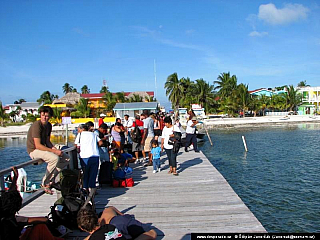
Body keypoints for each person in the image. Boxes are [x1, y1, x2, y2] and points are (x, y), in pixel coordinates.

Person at [0, 167, 64, 240]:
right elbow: (31, 220)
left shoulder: (5, 215)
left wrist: (15, 178)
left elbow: (11, 194)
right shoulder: (11, 221)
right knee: (40, 228)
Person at [27, 106, 70, 194]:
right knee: (54, 158)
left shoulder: (49, 125)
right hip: (34, 150)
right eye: (42, 115)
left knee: (66, 158)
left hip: (42, 148)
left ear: (50, 117)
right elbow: (38, 145)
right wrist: (54, 152)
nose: (44, 118)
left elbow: (47, 141)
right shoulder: (37, 125)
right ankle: (44, 183)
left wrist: (54, 149)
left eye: (46, 116)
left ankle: (51, 179)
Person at [77, 206, 157, 240]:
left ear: (82, 228)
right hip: (121, 220)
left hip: (121, 223)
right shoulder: (107, 211)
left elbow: (152, 234)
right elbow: (112, 208)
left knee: (151, 233)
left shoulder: (114, 226)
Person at [76, 124, 103, 196]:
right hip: (95, 155)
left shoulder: (80, 135)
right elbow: (101, 142)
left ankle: (85, 188)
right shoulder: (93, 134)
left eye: (78, 129)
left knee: (85, 173)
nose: (78, 130)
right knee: (93, 173)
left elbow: (76, 145)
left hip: (84, 156)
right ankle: (92, 188)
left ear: (81, 129)